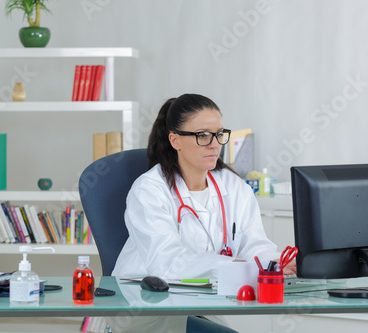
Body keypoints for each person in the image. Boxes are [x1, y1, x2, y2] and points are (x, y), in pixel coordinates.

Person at [110, 94, 295, 332]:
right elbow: (167, 264)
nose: (215, 143)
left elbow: (254, 245)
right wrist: (234, 264)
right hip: (144, 305)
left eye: (219, 134)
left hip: (198, 300)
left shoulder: (234, 186)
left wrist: (276, 263)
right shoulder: (149, 190)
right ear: (175, 140)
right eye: (203, 135)